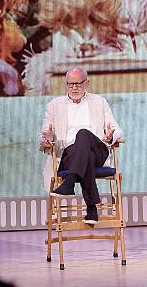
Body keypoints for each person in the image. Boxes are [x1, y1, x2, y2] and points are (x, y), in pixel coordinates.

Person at [39, 67, 122, 224]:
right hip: (68, 155)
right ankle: (91, 208)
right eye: (70, 84)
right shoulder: (54, 105)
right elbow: (44, 135)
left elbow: (117, 128)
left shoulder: (99, 102)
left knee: (83, 134)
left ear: (87, 83)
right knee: (85, 156)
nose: (74, 88)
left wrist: (112, 135)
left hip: (98, 151)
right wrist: (47, 139)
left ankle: (70, 181)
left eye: (78, 84)